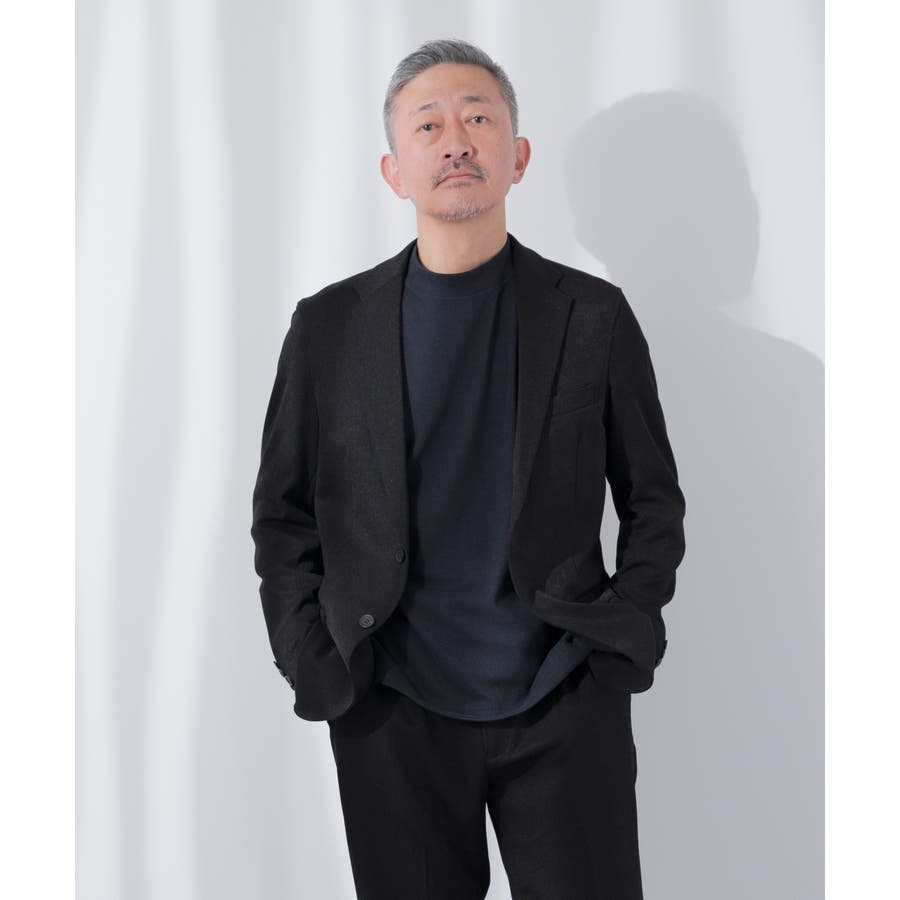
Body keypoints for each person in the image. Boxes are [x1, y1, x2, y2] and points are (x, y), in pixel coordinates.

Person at [251, 37, 686, 900]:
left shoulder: (592, 317)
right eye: (429, 125)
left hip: (563, 697)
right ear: (395, 172)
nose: (456, 140)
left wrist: (620, 637)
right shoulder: (329, 328)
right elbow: (283, 517)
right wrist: (311, 656)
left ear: (517, 157)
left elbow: (653, 500)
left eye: (478, 118)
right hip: (390, 705)